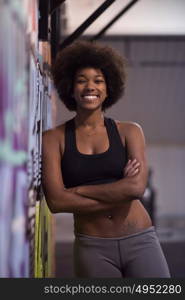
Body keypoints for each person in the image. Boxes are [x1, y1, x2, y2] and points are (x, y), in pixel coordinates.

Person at [42, 41, 170, 278]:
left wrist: (79, 190)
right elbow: (57, 202)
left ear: (109, 88)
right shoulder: (53, 139)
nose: (90, 86)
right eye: (82, 80)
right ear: (70, 87)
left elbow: (136, 188)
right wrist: (119, 192)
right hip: (93, 247)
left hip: (141, 240)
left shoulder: (130, 131)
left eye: (98, 80)